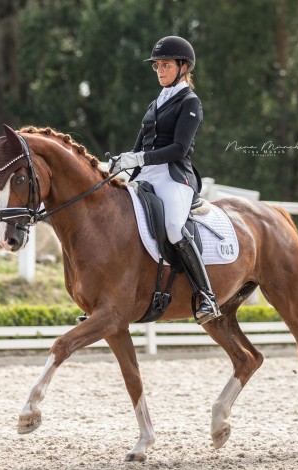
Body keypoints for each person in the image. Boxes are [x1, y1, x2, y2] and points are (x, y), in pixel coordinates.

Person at [110, 35, 220, 324]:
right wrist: (119, 164)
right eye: (157, 65)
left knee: (173, 226)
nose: (160, 70)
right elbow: (138, 148)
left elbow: (179, 149)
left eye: (166, 64)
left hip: (175, 177)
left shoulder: (190, 102)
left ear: (184, 67)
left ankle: (206, 294)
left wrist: (140, 159)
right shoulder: (155, 103)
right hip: (145, 176)